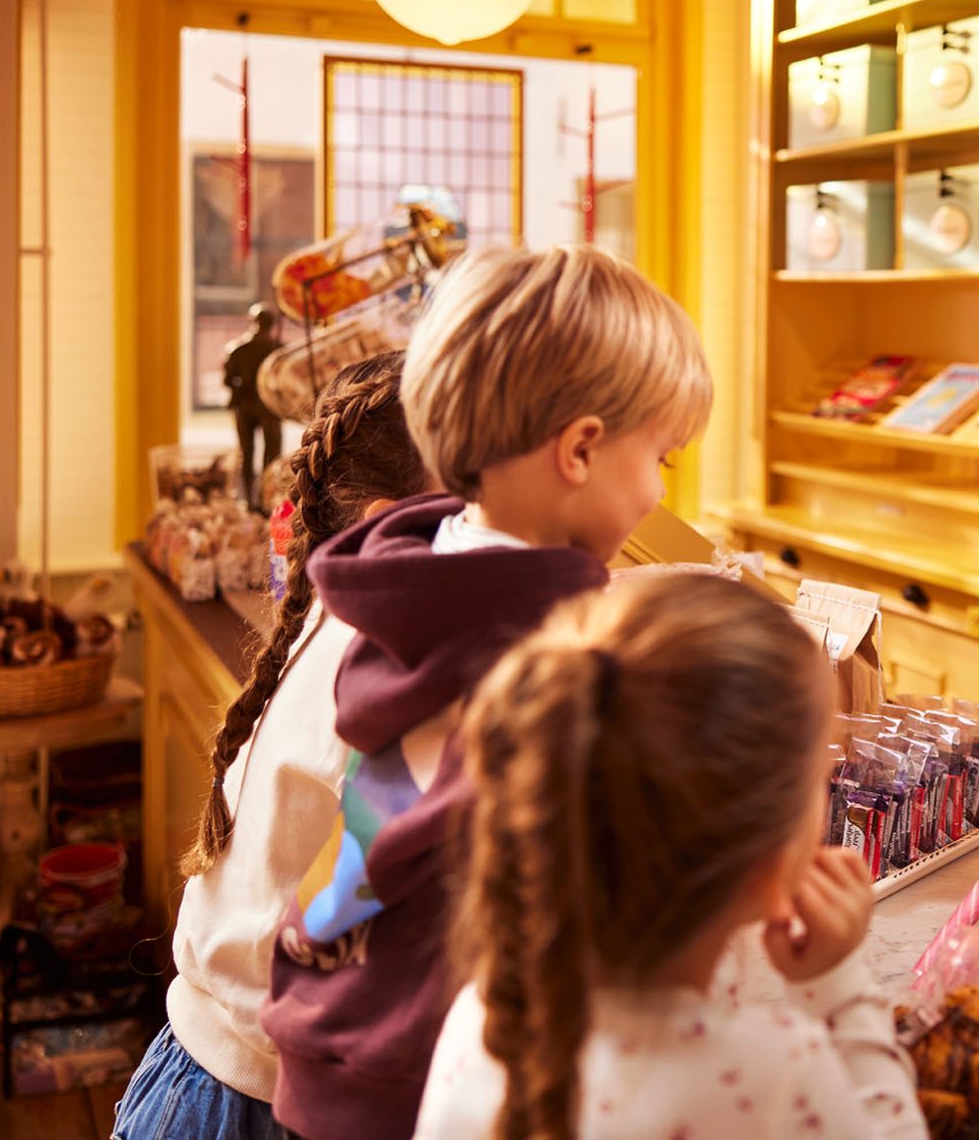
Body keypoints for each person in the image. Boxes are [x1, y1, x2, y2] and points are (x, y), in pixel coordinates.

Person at [259, 244, 713, 1140]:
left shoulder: (422, 586)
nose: (659, 489)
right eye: (660, 456)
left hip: (333, 1028)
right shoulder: (544, 655)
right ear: (582, 449)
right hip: (426, 1077)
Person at [413, 574, 926, 1140]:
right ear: (767, 854)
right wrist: (837, 986)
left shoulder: (482, 1021)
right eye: (818, 777)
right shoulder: (772, 1076)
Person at [112, 351, 430, 1140]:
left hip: (196, 1071)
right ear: (396, 520)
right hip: (249, 1101)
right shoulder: (384, 662)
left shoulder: (332, 614)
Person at [223, 303, 283, 507]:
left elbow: (227, 379)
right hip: (265, 406)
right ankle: (264, 499)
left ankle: (252, 499)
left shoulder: (238, 349)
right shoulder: (278, 349)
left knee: (249, 453)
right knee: (268, 455)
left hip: (251, 405)